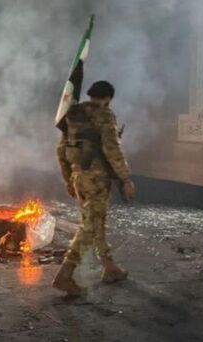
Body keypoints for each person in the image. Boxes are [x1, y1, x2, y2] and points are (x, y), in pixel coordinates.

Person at [53, 80, 135, 296]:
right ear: (107, 98)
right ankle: (65, 274)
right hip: (97, 178)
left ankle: (109, 267)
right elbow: (112, 149)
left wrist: (68, 178)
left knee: (96, 222)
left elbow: (61, 149)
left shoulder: (73, 114)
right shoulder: (104, 115)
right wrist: (125, 178)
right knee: (89, 226)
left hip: (78, 176)